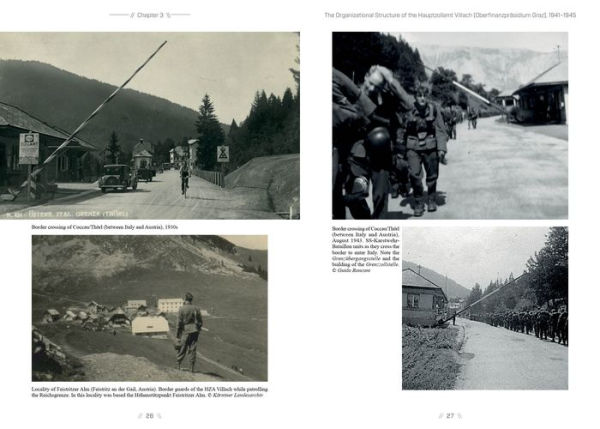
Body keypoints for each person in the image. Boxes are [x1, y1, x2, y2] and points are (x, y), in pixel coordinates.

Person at [332, 68, 376, 219]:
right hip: (338, 145)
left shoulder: (335, 77)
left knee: (355, 198)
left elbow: (361, 113)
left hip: (353, 145)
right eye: (370, 83)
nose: (371, 87)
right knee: (335, 200)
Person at [398, 86, 448, 217]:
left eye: (424, 96)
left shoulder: (434, 109)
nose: (422, 98)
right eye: (419, 95)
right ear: (415, 97)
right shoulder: (408, 110)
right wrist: (400, 151)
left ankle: (431, 199)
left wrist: (441, 149)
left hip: (430, 147)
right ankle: (418, 202)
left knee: (432, 175)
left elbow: (441, 130)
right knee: (414, 175)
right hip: (413, 147)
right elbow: (401, 131)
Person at [176, 292, 203, 372]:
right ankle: (191, 368)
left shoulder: (182, 308)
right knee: (192, 349)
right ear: (191, 299)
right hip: (195, 331)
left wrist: (178, 334)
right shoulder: (196, 308)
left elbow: (179, 323)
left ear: (185, 299)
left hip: (186, 330)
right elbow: (201, 321)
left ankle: (178, 365)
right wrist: (198, 328)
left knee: (182, 348)